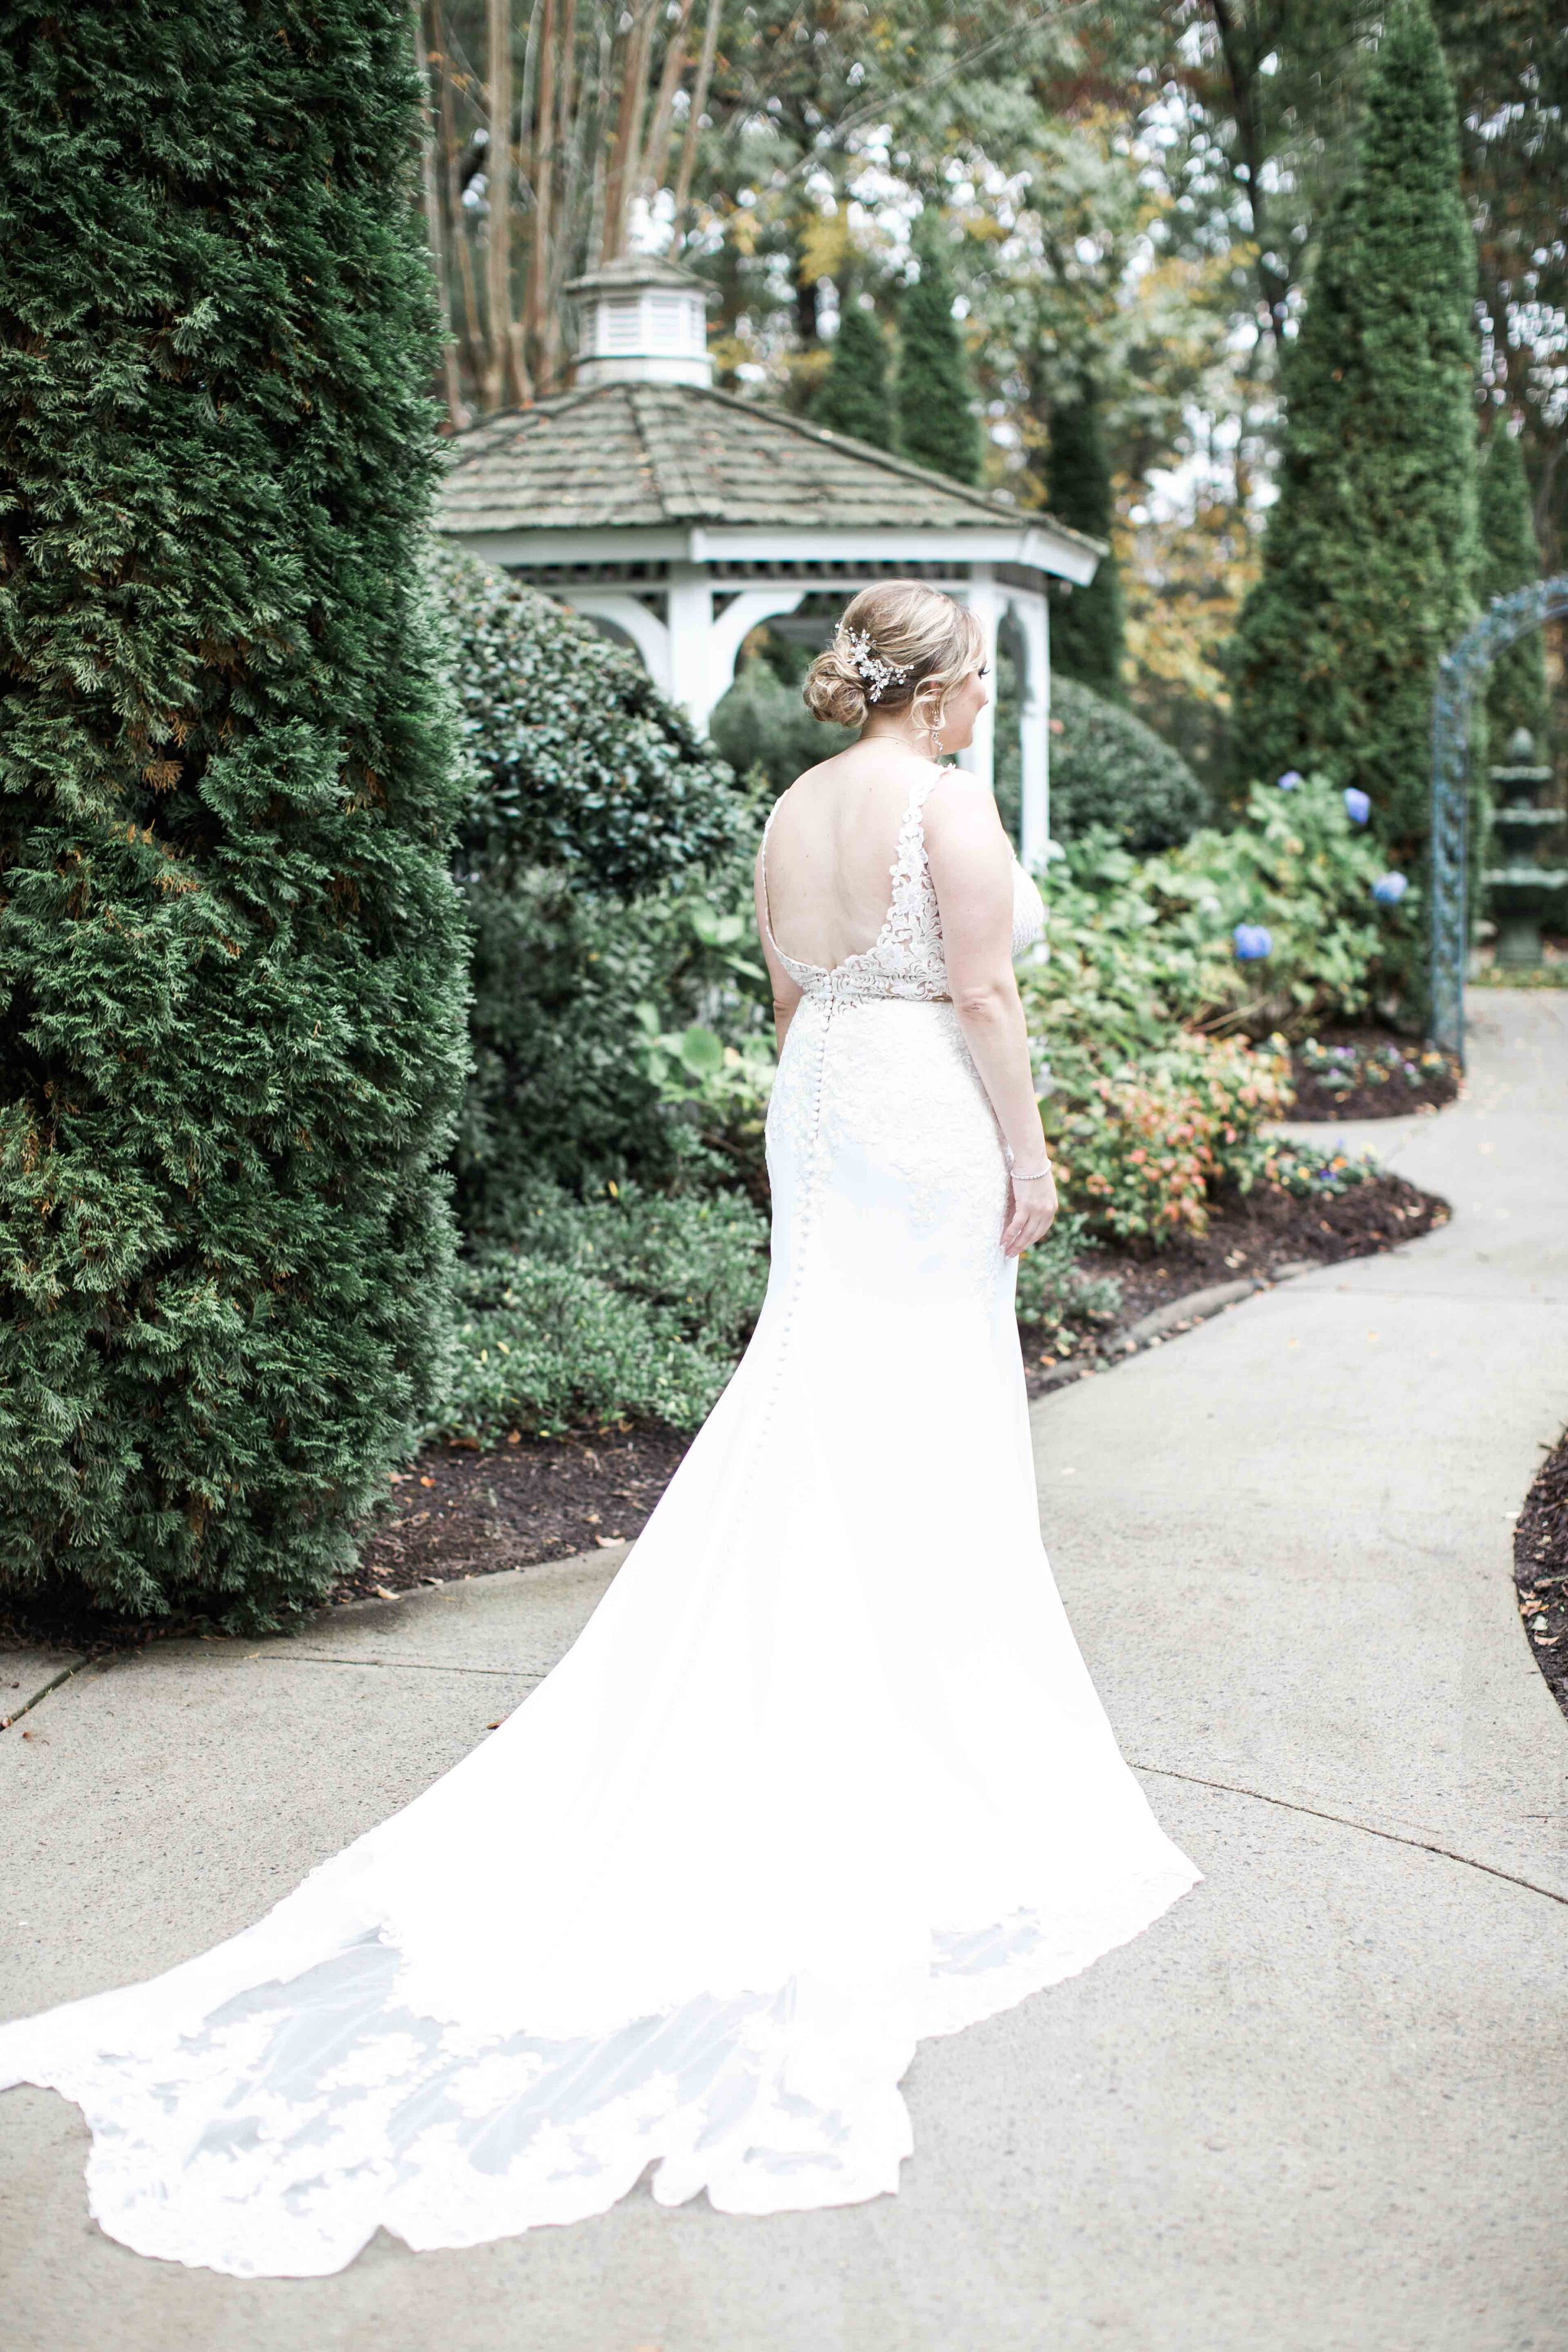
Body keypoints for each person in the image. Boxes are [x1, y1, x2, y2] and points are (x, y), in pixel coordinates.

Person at [0, 581, 1199, 2279]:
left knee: (822, 1389)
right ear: (936, 690)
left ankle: (843, 1656)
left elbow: (794, 996)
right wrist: (1029, 1157)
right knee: (916, 1418)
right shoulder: (942, 805)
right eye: (980, 675)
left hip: (825, 1112)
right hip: (926, 1110)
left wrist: (820, 1135)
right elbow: (986, 1000)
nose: (987, 699)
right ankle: (922, 1696)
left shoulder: (790, 806)